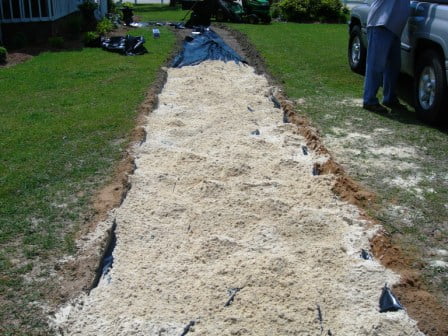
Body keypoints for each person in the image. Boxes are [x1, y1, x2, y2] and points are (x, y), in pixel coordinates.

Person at [363, 0, 410, 113]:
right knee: (376, 66)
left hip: (393, 29)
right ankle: (369, 100)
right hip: (380, 24)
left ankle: (389, 98)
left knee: (393, 66)